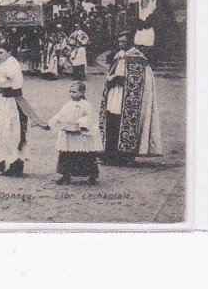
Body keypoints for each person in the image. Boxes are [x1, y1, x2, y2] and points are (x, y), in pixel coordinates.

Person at [0, 40, 48, 177]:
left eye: (1, 52)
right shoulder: (6, 63)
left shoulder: (12, 64)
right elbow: (3, 79)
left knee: (12, 133)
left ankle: (16, 166)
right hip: (5, 101)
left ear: (10, 53)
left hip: (14, 103)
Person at [100, 32, 162, 166]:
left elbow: (143, 78)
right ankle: (110, 153)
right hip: (115, 94)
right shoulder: (118, 56)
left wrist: (122, 80)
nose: (120, 44)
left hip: (128, 96)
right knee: (112, 121)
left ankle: (125, 155)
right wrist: (111, 79)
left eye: (123, 42)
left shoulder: (138, 58)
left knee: (125, 123)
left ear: (131, 42)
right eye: (119, 42)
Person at [48, 80, 101, 185]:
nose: (71, 94)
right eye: (70, 92)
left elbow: (90, 117)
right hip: (69, 133)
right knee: (67, 154)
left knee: (85, 155)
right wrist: (50, 124)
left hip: (81, 134)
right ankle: (66, 175)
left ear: (82, 92)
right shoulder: (68, 104)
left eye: (74, 92)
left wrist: (81, 123)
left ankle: (92, 176)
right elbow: (60, 115)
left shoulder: (87, 105)